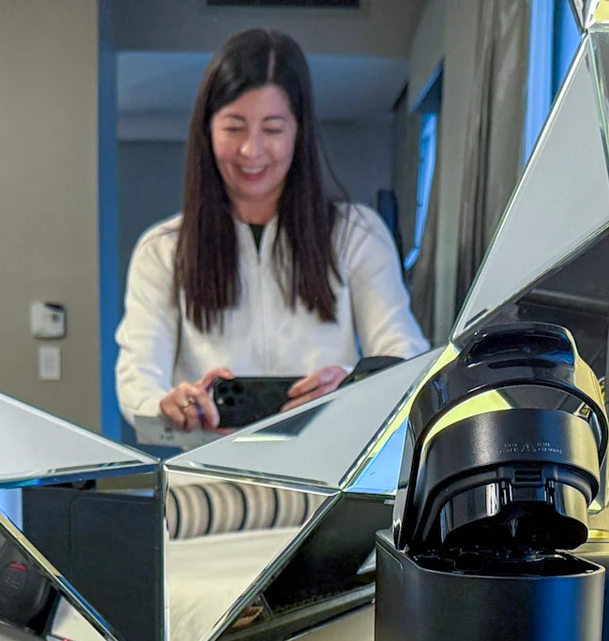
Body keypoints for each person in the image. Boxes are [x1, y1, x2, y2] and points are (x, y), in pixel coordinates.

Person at [115, 29, 429, 435]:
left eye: (273, 129)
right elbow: (136, 376)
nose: (252, 150)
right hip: (206, 483)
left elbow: (407, 356)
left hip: (329, 477)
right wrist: (166, 404)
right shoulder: (163, 250)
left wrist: (353, 384)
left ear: (299, 132)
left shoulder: (357, 235)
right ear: (207, 130)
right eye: (234, 127)